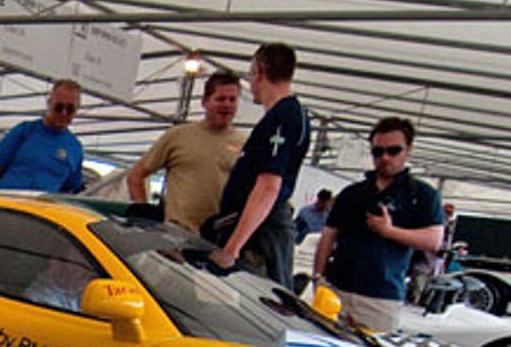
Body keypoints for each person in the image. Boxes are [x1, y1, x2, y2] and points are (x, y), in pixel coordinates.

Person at [311, 117, 445, 332]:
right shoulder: (352, 193)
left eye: (393, 151)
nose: (384, 158)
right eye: (377, 152)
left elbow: (434, 240)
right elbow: (328, 235)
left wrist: (389, 231)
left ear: (408, 150)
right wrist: (317, 277)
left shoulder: (422, 195)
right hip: (336, 289)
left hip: (381, 297)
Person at [206, 44, 309, 284]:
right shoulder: (286, 116)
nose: (250, 83)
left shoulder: (283, 118)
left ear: (259, 72)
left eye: (251, 75)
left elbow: (268, 187)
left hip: (261, 239)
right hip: (258, 231)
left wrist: (231, 249)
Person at [125, 70, 242, 230]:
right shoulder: (178, 135)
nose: (227, 105)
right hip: (176, 236)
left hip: (217, 240)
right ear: (205, 102)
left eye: (232, 99)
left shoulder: (245, 143)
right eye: (220, 99)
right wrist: (146, 219)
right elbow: (135, 176)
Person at [0, 80, 85, 193]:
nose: (64, 113)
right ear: (49, 103)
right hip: (6, 205)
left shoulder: (75, 148)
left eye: (70, 109)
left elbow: (71, 190)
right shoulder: (24, 131)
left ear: (77, 110)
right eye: (59, 107)